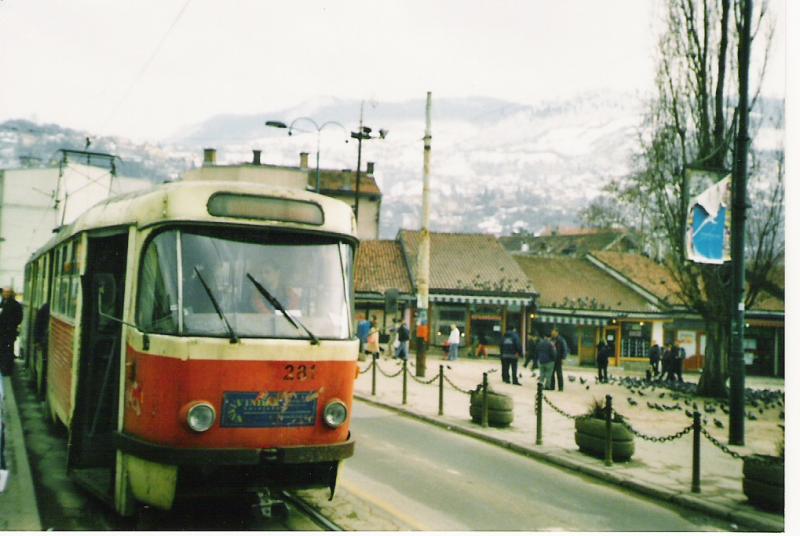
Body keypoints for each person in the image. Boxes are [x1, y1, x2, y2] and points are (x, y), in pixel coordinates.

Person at [0, 288, 23, 377]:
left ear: (11, 293)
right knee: (3, 350)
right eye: (4, 292)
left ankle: (7, 369)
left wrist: (11, 325)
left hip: (9, 332)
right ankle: (4, 368)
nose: (5, 294)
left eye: (7, 292)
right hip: (3, 332)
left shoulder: (15, 305)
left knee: (8, 351)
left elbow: (19, 318)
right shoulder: (3, 303)